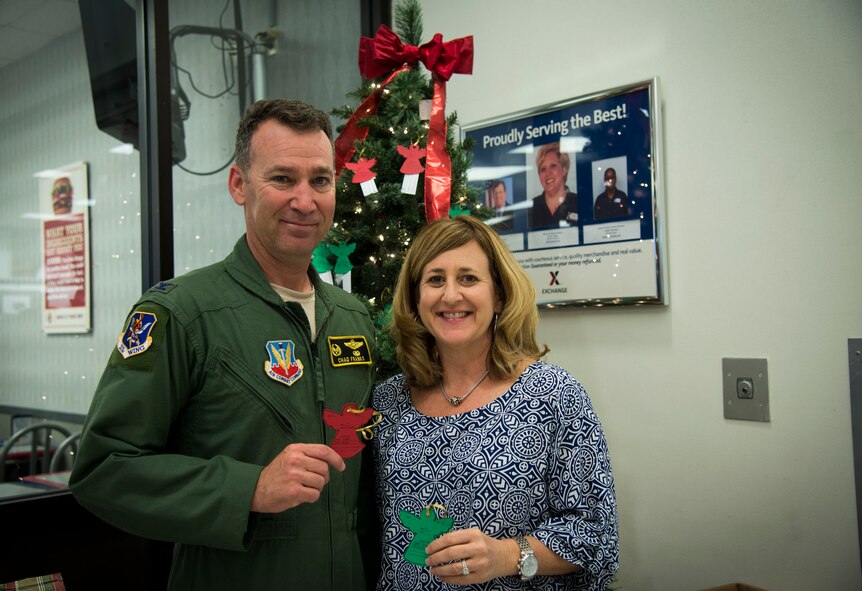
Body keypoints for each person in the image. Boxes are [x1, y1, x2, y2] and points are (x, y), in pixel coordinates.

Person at [70, 99, 378, 590]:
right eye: (282, 179)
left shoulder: (353, 317)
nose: (305, 200)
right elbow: (104, 471)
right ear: (239, 185)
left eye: (320, 180)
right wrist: (248, 488)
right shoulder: (183, 313)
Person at [372, 215, 619, 590]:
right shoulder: (388, 401)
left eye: (468, 278)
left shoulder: (553, 394)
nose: (450, 295)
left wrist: (507, 555)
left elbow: (596, 535)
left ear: (500, 295)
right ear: (415, 298)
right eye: (435, 279)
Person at [527, 143, 579, 229]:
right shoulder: (530, 209)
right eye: (543, 169)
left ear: (564, 170)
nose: (547, 173)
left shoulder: (579, 203)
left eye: (553, 166)